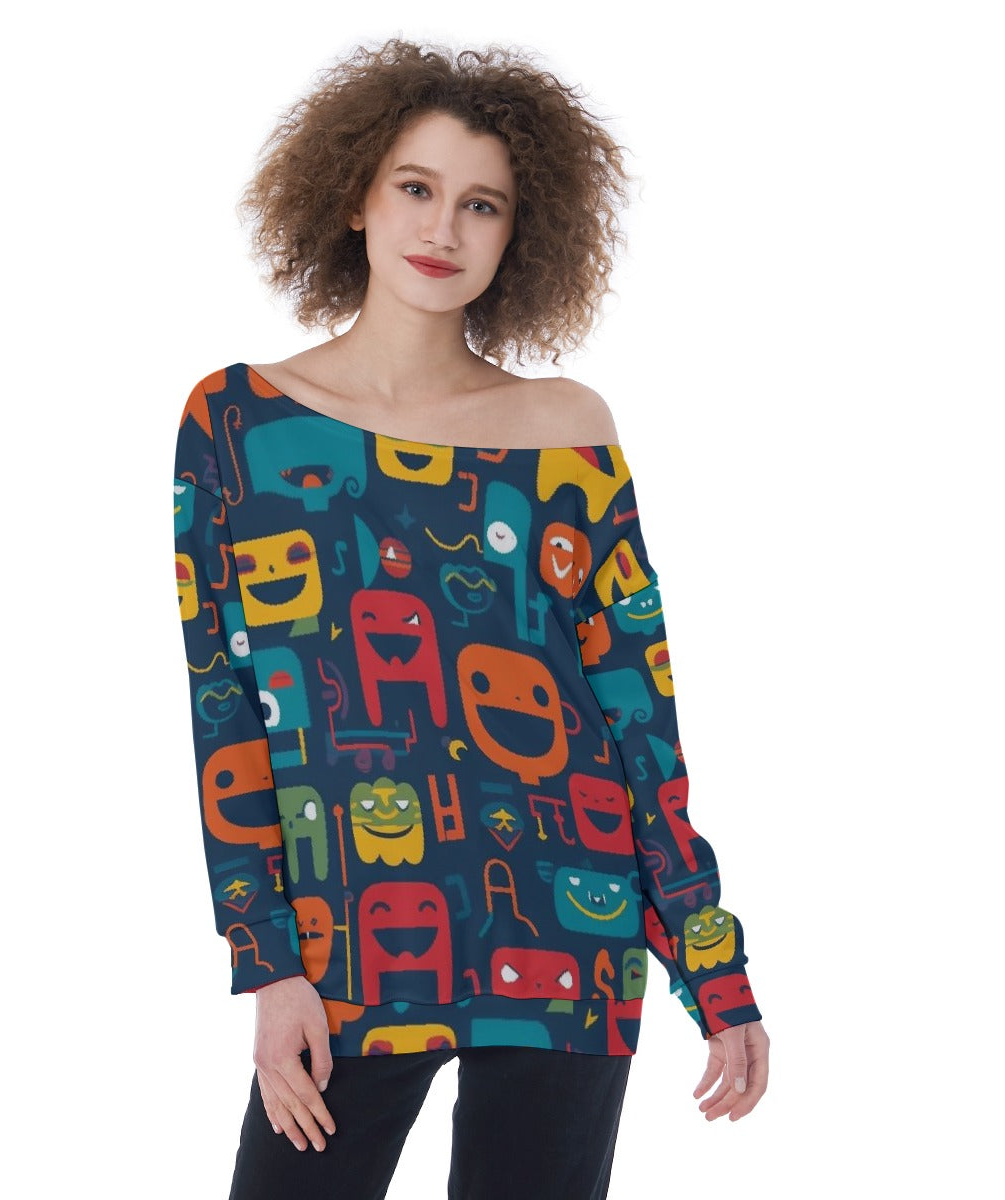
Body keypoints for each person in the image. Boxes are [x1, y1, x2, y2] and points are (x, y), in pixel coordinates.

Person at [173, 38, 770, 1200]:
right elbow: (224, 708)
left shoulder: (568, 430)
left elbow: (637, 720)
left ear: (517, 233)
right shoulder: (237, 422)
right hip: (345, 947)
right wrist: (266, 964)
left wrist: (716, 969)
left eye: (481, 204)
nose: (442, 228)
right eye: (416, 186)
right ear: (355, 195)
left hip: (568, 935)